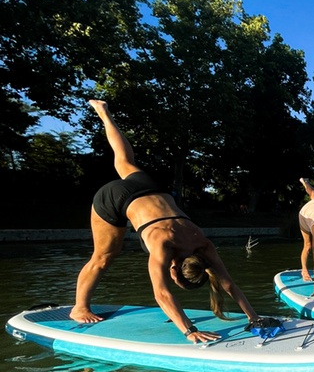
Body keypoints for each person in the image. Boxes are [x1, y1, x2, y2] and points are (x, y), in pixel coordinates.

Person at [71, 100, 261, 343]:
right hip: (112, 198)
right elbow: (161, 293)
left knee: (123, 159)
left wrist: (253, 317)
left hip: (149, 190)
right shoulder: (164, 246)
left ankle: (104, 113)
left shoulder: (202, 244)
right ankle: (79, 307)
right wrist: (189, 331)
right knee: (103, 257)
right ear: (174, 270)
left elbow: (228, 284)